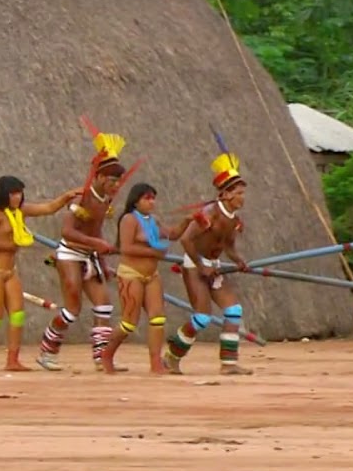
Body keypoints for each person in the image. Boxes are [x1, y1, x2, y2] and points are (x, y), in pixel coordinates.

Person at [0, 176, 82, 370]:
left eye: (20, 193)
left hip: (10, 271)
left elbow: (47, 208)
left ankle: (12, 360)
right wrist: (13, 244)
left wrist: (66, 196)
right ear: (4, 194)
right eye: (14, 193)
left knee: (17, 315)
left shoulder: (20, 211)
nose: (18, 197)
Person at [36, 131, 127, 371]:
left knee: (104, 304)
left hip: (90, 256)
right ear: (98, 176)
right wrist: (97, 245)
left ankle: (101, 358)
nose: (116, 186)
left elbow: (95, 232)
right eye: (112, 180)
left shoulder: (105, 200)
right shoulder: (81, 198)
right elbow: (67, 231)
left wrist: (102, 260)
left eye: (118, 181)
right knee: (72, 308)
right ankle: (47, 352)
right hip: (69, 255)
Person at [163, 145, 253, 376]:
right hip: (194, 266)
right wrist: (201, 265)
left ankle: (229, 363)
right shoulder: (209, 213)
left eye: (243, 193)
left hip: (214, 267)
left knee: (233, 310)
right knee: (202, 318)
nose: (242, 197)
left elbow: (228, 246)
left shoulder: (234, 219)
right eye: (239, 193)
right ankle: (172, 356)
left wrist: (239, 260)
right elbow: (185, 240)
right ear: (225, 194)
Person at [100, 183, 191, 375]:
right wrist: (154, 252)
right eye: (147, 198)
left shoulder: (154, 220)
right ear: (136, 200)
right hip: (131, 274)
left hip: (152, 275)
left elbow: (172, 234)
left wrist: (188, 221)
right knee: (129, 322)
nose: (151, 202)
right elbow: (126, 248)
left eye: (153, 198)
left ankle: (155, 363)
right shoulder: (129, 219)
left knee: (157, 318)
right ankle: (107, 355)